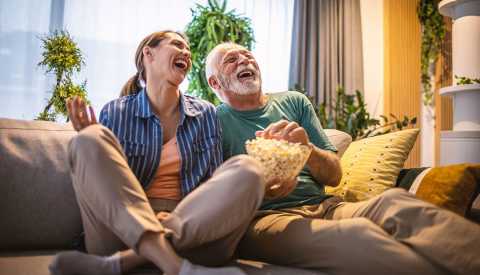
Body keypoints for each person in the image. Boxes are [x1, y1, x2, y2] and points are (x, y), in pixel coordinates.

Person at [205, 42, 480, 275]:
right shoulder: (212, 121)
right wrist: (262, 188)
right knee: (358, 235)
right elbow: (214, 196)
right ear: (215, 82)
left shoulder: (294, 102)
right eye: (232, 59)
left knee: (396, 202)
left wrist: (307, 148)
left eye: (248, 55)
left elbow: (334, 176)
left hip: (326, 205)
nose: (245, 59)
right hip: (266, 219)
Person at [49, 31, 267, 275]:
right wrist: (96, 145)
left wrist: (174, 219)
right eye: (177, 44)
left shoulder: (205, 113)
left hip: (191, 228)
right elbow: (111, 189)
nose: (186, 52)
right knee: (87, 140)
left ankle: (119, 264)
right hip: (123, 231)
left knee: (249, 169)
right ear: (148, 54)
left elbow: (210, 183)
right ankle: (176, 267)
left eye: (188, 49)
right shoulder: (116, 111)